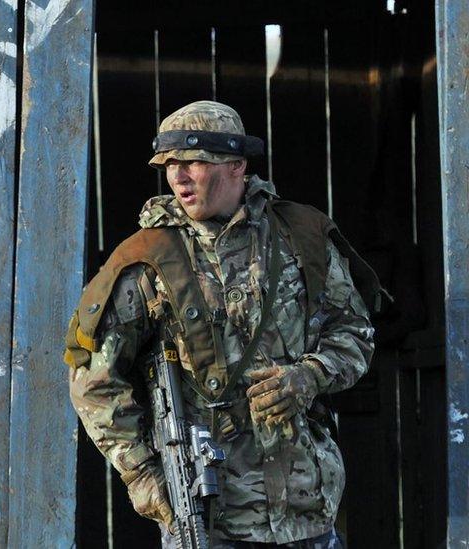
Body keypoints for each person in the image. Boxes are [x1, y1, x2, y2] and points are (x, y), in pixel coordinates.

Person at [65, 101, 381, 546]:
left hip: (307, 509)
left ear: (237, 165)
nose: (178, 176)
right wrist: (141, 474)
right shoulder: (146, 261)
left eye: (194, 162)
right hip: (208, 517)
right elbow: (94, 381)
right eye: (170, 164)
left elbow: (355, 333)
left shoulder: (300, 237)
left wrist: (309, 375)